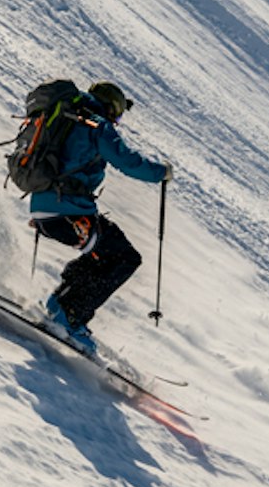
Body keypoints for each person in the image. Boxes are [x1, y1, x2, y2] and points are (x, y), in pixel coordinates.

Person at [28, 81, 171, 353]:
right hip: (68, 210)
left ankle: (62, 304)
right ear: (109, 109)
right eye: (117, 115)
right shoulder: (96, 125)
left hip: (44, 208)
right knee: (125, 258)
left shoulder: (67, 118)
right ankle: (71, 315)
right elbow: (127, 161)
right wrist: (161, 173)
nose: (116, 122)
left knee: (104, 253)